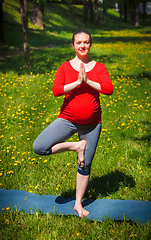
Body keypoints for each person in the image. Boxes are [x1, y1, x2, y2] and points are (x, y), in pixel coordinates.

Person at [33, 29, 114, 217]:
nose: (82, 46)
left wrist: (88, 81)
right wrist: (78, 82)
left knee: (85, 166)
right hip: (67, 120)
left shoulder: (100, 67)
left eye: (86, 42)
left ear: (90, 44)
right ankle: (76, 147)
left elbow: (108, 89)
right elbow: (56, 90)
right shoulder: (65, 67)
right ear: (73, 45)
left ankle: (78, 204)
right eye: (79, 43)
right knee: (39, 147)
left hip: (92, 124)